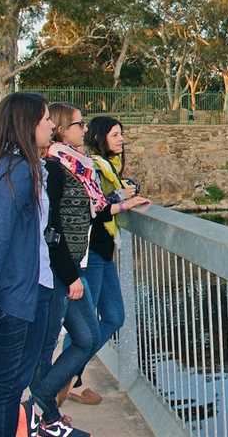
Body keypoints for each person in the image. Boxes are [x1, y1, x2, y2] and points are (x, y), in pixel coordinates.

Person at [29, 104, 148, 436]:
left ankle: (46, 403)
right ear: (63, 131)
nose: (84, 129)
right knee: (69, 338)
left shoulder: (74, 166)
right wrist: (70, 275)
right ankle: (44, 403)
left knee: (92, 330)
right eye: (78, 124)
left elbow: (93, 204)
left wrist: (122, 200)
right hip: (70, 266)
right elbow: (55, 228)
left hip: (78, 262)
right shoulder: (56, 168)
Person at [0, 93, 55, 437]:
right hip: (17, 298)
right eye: (46, 118)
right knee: (5, 387)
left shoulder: (16, 166)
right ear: (27, 124)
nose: (51, 125)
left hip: (28, 291)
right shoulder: (18, 170)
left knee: (7, 384)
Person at [63, 115, 144, 403]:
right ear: (100, 138)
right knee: (84, 324)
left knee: (113, 317)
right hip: (92, 253)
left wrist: (125, 191)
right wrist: (124, 200)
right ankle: (66, 380)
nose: (121, 139)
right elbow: (94, 207)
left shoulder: (107, 167)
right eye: (114, 134)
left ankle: (67, 376)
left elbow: (105, 197)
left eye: (122, 133)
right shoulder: (94, 166)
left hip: (104, 252)